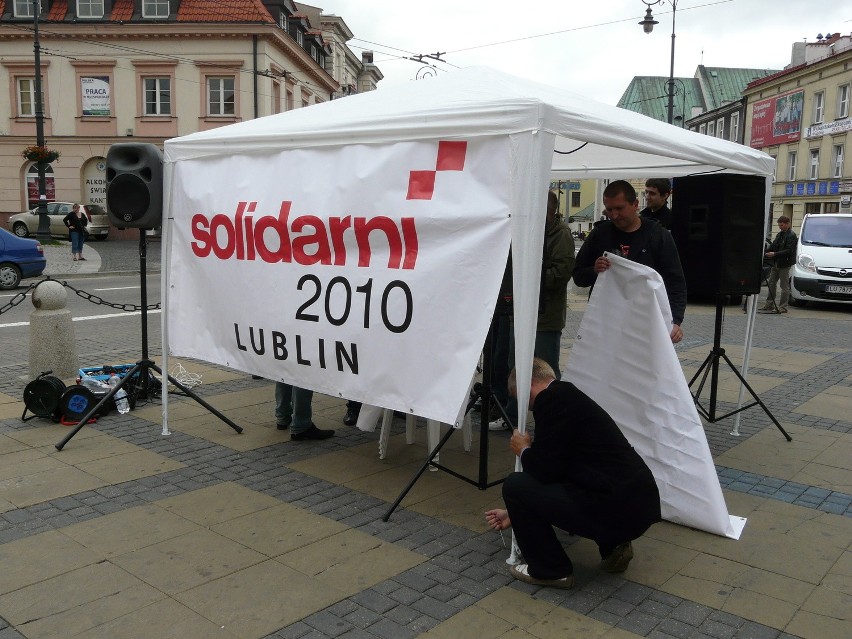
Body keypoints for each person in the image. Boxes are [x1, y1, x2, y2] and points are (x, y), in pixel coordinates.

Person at [485, 358, 661, 588]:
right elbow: (562, 467)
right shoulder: (568, 397)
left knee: (515, 486)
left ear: (526, 386)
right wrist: (515, 513)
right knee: (580, 483)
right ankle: (613, 544)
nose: (520, 403)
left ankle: (551, 570)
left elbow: (545, 471)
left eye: (516, 395)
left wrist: (524, 450)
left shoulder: (550, 401)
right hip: (637, 503)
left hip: (617, 507)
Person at [490, 191, 575, 430]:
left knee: (545, 369)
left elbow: (560, 275)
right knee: (513, 366)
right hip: (517, 311)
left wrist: (524, 277)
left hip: (545, 317)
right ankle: (511, 417)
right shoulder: (525, 232)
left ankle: (551, 421)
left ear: (548, 212)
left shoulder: (561, 234)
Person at [573, 180, 686, 344]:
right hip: (605, 323)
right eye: (609, 209)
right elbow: (578, 276)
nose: (614, 215)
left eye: (619, 208)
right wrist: (594, 270)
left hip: (645, 323)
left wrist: (675, 321)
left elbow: (675, 281)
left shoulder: (658, 235)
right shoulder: (600, 233)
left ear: (635, 204)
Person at [759, 215, 797, 314]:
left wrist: (774, 254)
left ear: (788, 224)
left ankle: (783, 307)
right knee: (771, 283)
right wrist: (765, 252)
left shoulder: (791, 235)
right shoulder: (780, 234)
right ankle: (769, 304)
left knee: (784, 286)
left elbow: (789, 251)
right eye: (779, 225)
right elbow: (773, 245)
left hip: (784, 264)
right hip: (776, 263)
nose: (780, 227)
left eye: (782, 225)